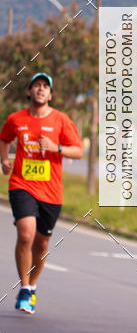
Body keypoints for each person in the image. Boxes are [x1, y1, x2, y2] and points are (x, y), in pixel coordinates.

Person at [0, 72, 83, 314]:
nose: (41, 89)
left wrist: (56, 147)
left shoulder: (61, 120)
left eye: (46, 86)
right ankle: (24, 289)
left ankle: (32, 286)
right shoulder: (16, 119)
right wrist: (4, 161)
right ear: (29, 92)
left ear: (51, 94)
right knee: (26, 235)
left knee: (41, 243)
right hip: (22, 184)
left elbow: (77, 151)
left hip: (51, 191)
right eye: (36, 86)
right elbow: (4, 138)